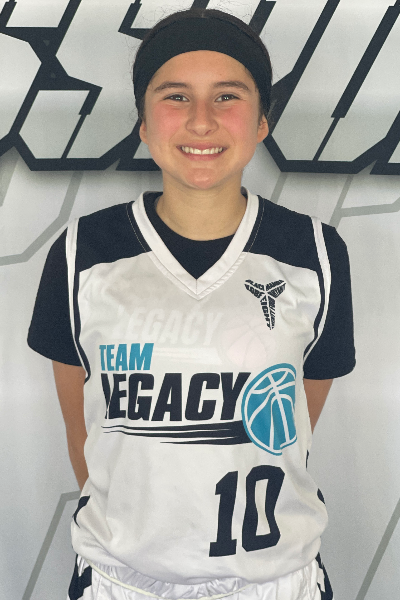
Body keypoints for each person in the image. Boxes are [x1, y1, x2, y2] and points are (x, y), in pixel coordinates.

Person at [28, 8, 355, 600]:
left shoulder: (314, 253)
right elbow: (86, 434)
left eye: (227, 96)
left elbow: (292, 428)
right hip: (121, 580)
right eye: (175, 96)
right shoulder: (82, 252)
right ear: (143, 121)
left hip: (274, 579)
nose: (201, 121)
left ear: (262, 120)